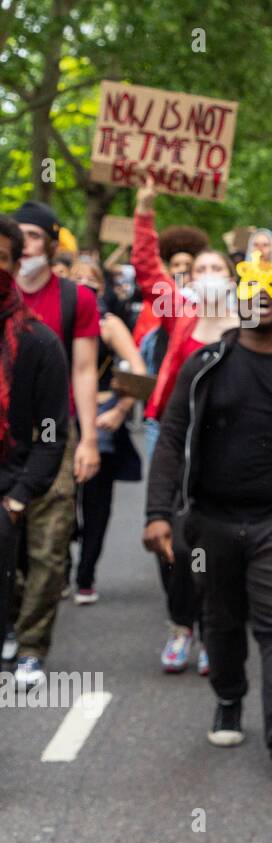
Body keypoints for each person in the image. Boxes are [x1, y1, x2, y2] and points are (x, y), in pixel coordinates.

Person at [143, 284, 272, 780]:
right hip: (208, 522)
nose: (261, 304)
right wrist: (158, 513)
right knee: (222, 618)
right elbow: (171, 436)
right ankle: (229, 698)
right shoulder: (206, 362)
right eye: (251, 294)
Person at [132, 180, 241, 674]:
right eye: (201, 269)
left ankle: (215, 626)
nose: (209, 275)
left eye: (218, 268)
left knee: (217, 540)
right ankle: (181, 625)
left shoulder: (248, 323)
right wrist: (145, 211)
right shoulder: (179, 312)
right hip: (172, 437)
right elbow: (145, 267)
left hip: (228, 445)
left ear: (233, 277)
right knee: (171, 536)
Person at [8, 200, 100, 689]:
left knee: (48, 542)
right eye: (16, 240)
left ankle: (31, 645)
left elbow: (85, 370)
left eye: (35, 237)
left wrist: (87, 438)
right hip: (6, 433)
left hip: (53, 431)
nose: (25, 248)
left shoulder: (75, 299)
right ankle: (11, 617)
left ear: (51, 241)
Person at [0, 216, 70, 671]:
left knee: (44, 552)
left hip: (12, 483)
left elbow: (51, 432)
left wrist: (19, 499)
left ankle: (29, 645)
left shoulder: (38, 343)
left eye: (1, 259)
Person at [68, 258, 146, 604]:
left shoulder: (109, 324)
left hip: (99, 418)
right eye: (77, 277)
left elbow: (140, 372)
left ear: (104, 288)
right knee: (58, 504)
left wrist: (119, 410)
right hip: (57, 418)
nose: (84, 283)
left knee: (96, 503)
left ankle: (85, 576)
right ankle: (57, 565)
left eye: (92, 279)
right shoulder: (53, 318)